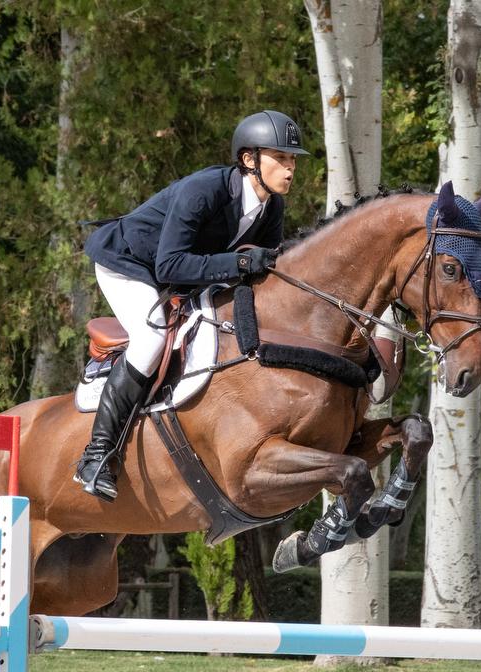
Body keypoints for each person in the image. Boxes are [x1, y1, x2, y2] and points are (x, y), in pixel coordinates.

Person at [74, 110, 309, 499]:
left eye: (293, 159)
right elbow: (170, 263)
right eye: (281, 157)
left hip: (182, 275)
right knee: (150, 340)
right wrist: (238, 263)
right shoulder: (205, 190)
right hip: (129, 264)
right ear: (249, 160)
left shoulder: (272, 207)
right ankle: (95, 456)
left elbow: (259, 268)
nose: (290, 167)